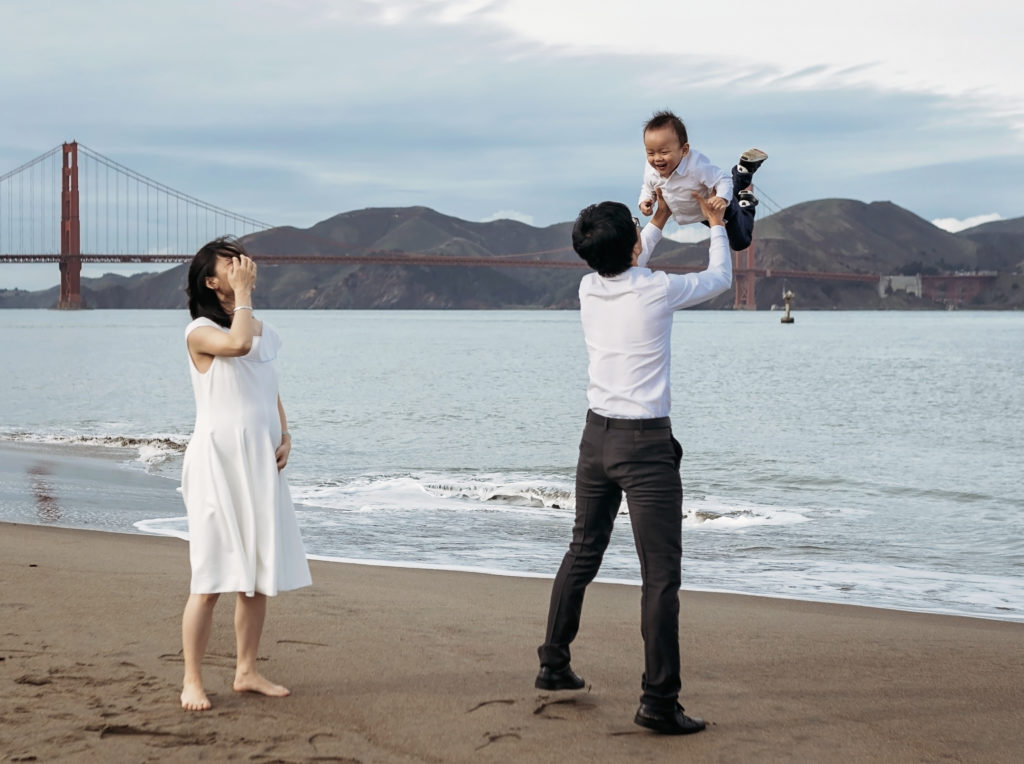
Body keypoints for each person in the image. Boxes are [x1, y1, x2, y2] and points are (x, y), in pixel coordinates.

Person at [536, 187, 731, 735]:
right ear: (630, 250)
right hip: (645, 448)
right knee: (661, 577)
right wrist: (716, 224)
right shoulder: (656, 290)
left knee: (582, 550)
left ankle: (553, 664)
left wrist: (661, 217)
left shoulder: (587, 289)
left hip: (595, 439)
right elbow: (719, 280)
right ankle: (658, 702)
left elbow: (628, 259)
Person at [179, 237, 312, 711]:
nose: (241, 268)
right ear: (212, 281)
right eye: (229, 265)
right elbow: (236, 345)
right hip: (217, 463)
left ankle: (246, 671)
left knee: (255, 578)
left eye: (242, 261)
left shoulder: (264, 330)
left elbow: (268, 387)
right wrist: (246, 296)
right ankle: (192, 679)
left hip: (259, 461)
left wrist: (286, 433)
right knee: (210, 578)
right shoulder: (199, 331)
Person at [638, 109, 766, 252]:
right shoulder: (651, 169)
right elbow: (648, 187)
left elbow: (723, 180)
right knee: (729, 194)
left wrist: (722, 199)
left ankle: (747, 203)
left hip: (717, 208)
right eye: (650, 152)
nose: (657, 158)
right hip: (697, 212)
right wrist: (645, 201)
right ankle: (744, 170)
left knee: (740, 243)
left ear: (684, 150)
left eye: (664, 152)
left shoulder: (696, 166)